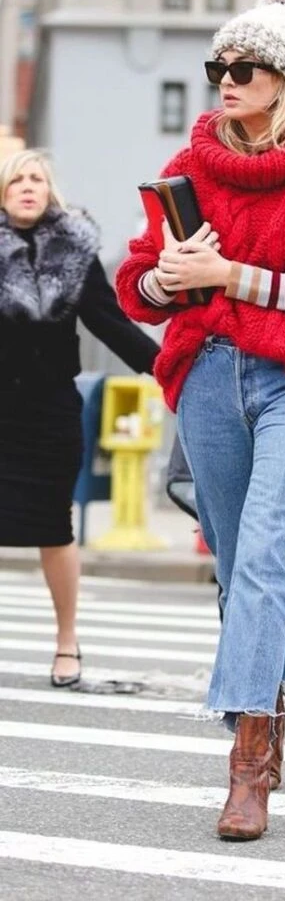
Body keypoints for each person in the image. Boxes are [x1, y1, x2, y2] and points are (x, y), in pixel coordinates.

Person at [116, 0, 285, 841]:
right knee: (235, 567)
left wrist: (231, 276)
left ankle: (249, 764)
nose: (226, 78)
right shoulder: (187, 170)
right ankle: (279, 672)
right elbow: (138, 286)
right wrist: (167, 275)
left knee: (267, 550)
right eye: (216, 65)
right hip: (205, 377)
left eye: (245, 65)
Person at [0, 149, 159, 688]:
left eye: (36, 178)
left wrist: (163, 367)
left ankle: (67, 643)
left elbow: (108, 322)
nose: (27, 186)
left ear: (50, 190)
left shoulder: (74, 250)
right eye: (17, 178)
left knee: (53, 527)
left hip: (49, 411)